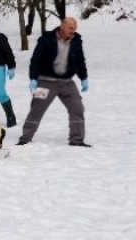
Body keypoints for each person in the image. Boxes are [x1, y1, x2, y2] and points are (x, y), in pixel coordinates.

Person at [16, 17, 91, 147]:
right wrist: (34, 78)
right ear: (62, 26)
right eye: (70, 28)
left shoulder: (76, 41)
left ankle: (77, 140)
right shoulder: (47, 39)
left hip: (67, 82)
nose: (73, 31)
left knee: (77, 108)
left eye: (74, 28)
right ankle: (25, 138)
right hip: (46, 81)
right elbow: (36, 59)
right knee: (37, 108)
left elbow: (80, 61)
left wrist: (83, 78)